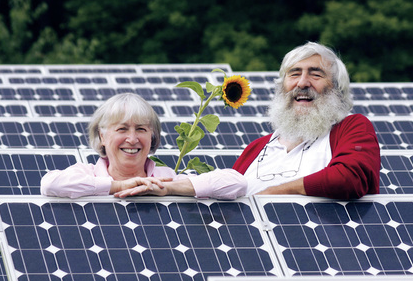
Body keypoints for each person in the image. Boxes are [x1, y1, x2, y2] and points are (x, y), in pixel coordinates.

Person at [233, 42, 380, 199]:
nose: (302, 83)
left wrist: (274, 194)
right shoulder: (256, 148)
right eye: (294, 74)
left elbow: (350, 178)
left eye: (316, 75)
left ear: (337, 88)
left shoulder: (351, 127)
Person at [41, 93, 246, 199]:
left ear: (152, 136)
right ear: (102, 136)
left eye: (141, 129)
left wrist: (167, 189)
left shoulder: (167, 177)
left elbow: (236, 183)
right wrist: (118, 187)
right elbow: (50, 185)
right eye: (122, 129)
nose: (132, 139)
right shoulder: (87, 173)